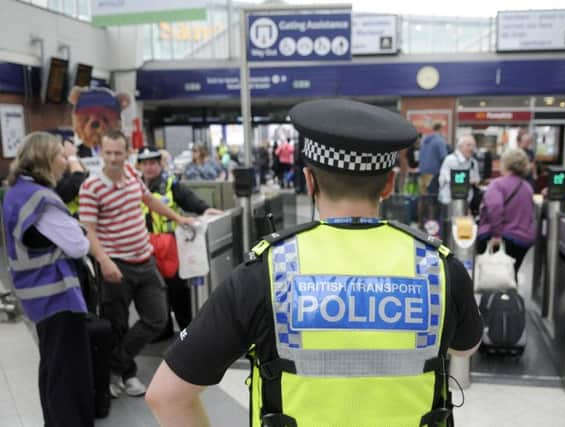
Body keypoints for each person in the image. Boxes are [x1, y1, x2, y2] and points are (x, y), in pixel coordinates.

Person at [145, 99, 482, 427]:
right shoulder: (439, 268)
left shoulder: (265, 272)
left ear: (309, 181)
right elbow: (466, 348)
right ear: (389, 185)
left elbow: (166, 395)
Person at [78, 130, 194, 398]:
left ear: (127, 152)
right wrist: (104, 261)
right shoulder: (90, 187)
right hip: (116, 264)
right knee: (116, 323)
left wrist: (178, 218)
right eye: (107, 153)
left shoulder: (132, 174)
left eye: (118, 153)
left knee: (157, 318)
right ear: (100, 153)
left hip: (146, 259)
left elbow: (149, 200)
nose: (113, 158)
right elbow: (89, 230)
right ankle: (127, 375)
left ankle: (114, 366)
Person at [3, 132, 94, 426]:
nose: (64, 161)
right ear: (44, 159)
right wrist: (77, 230)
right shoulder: (40, 198)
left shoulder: (17, 191)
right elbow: (79, 245)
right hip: (58, 297)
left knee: (53, 370)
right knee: (68, 376)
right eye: (59, 154)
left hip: (38, 296)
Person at [137, 146, 221, 339]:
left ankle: (187, 330)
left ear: (159, 164)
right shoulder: (135, 185)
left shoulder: (171, 184)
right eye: (145, 163)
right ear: (140, 166)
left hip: (170, 245)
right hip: (145, 245)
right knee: (154, 291)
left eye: (153, 163)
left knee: (177, 290)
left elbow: (190, 200)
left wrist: (205, 209)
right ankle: (163, 329)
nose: (149, 168)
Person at [477, 148, 536, 276]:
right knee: (511, 275)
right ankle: (510, 295)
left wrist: (496, 235)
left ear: (505, 163)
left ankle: (496, 296)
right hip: (523, 241)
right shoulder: (527, 187)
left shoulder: (497, 184)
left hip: (503, 237)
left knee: (495, 277)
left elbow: (495, 208)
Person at [438, 134, 480, 206]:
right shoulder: (450, 159)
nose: (472, 148)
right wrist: (467, 181)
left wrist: (475, 181)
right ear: (460, 146)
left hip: (467, 201)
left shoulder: (473, 162)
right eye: (468, 145)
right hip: (449, 202)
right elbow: (446, 179)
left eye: (473, 145)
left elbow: (477, 179)